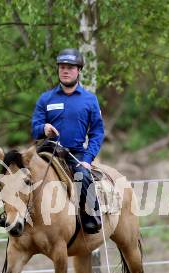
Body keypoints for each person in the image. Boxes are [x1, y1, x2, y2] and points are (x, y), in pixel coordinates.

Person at [31, 48, 105, 234]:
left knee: (82, 175)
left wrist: (87, 160)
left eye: (70, 67)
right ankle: (16, 217)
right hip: (47, 151)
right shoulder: (46, 98)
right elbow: (34, 127)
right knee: (22, 176)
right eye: (62, 67)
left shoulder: (90, 100)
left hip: (75, 153)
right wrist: (43, 129)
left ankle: (91, 216)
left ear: (79, 70)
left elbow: (97, 132)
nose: (65, 71)